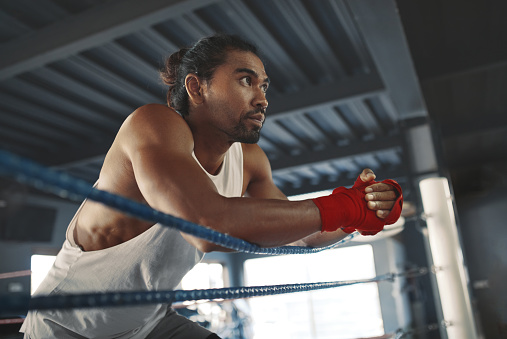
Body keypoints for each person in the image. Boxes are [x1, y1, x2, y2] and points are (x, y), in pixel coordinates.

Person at [21, 34, 402, 338]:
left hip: (149, 323)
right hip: (67, 328)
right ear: (196, 88)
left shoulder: (250, 161)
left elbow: (299, 236)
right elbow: (203, 223)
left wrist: (363, 213)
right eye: (245, 80)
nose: (263, 98)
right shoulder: (153, 125)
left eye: (264, 85)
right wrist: (341, 208)